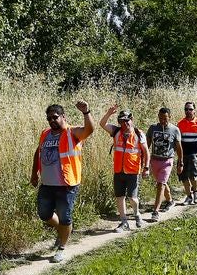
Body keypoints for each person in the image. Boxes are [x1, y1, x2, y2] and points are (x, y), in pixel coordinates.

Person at [31, 100, 97, 263]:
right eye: (49, 118)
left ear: (63, 117)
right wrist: (34, 174)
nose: (52, 121)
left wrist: (86, 113)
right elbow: (38, 152)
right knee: (44, 214)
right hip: (47, 184)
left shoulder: (71, 132)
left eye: (55, 117)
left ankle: (61, 248)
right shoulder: (45, 133)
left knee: (65, 217)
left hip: (67, 185)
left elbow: (89, 130)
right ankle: (62, 231)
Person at [100, 107, 147, 231]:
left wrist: (146, 168)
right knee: (119, 197)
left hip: (133, 171)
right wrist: (109, 113)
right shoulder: (116, 131)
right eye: (121, 121)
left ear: (132, 119)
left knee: (132, 198)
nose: (124, 124)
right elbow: (102, 124)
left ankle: (137, 215)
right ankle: (124, 222)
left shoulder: (138, 134)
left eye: (126, 121)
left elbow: (146, 152)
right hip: (118, 171)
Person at [145, 107, 182, 220]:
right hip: (154, 160)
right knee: (161, 183)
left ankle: (155, 212)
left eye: (165, 118)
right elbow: (147, 145)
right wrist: (144, 160)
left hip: (167, 161)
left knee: (160, 185)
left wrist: (180, 162)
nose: (162, 120)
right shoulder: (153, 128)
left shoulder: (174, 130)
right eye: (160, 118)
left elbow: (179, 148)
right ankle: (170, 201)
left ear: (169, 117)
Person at [176, 101, 197, 205]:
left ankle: (195, 192)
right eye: (186, 109)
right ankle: (188, 196)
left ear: (194, 110)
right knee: (183, 176)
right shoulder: (180, 123)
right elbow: (177, 141)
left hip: (194, 153)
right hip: (182, 154)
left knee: (193, 175)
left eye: (190, 109)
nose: (188, 111)